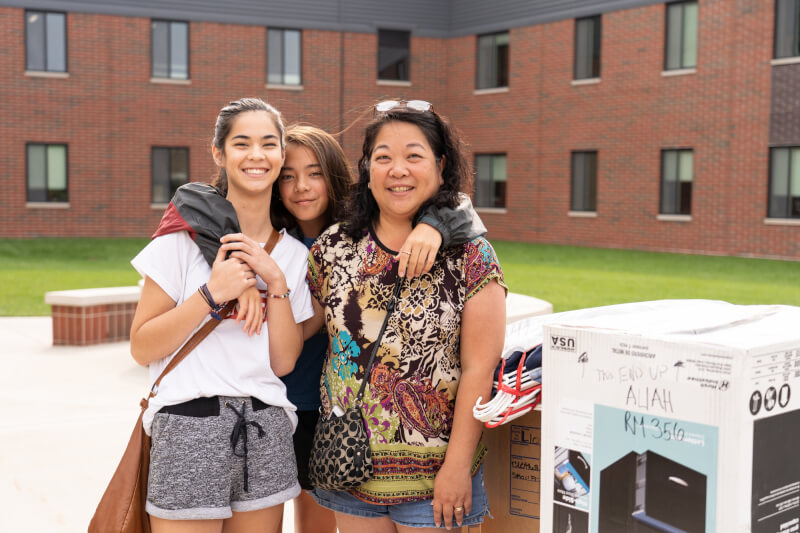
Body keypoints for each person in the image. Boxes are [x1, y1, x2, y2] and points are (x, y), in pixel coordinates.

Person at [266, 124, 488, 533]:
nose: (397, 169)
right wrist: (272, 287)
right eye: (383, 157)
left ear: (440, 166)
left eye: (413, 156)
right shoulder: (332, 247)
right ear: (367, 170)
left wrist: (457, 467)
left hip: (434, 476)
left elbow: (479, 369)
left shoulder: (469, 253)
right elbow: (295, 338)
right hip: (349, 468)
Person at [129, 97, 312, 533]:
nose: (256, 156)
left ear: (281, 154)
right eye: (242, 143)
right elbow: (142, 346)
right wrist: (213, 293)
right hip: (188, 425)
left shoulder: (292, 256)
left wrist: (276, 284)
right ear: (219, 153)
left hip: (265, 426)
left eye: (269, 144)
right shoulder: (179, 243)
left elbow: (284, 362)